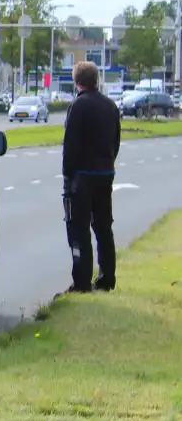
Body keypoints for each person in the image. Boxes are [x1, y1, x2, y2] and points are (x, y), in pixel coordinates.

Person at [61, 60, 121, 293]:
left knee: (78, 228)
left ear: (76, 82)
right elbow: (115, 141)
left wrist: (68, 174)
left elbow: (71, 145)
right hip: (105, 173)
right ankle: (107, 278)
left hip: (82, 177)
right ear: (96, 80)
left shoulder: (78, 107)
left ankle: (82, 280)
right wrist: (108, 162)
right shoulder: (110, 106)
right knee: (104, 228)